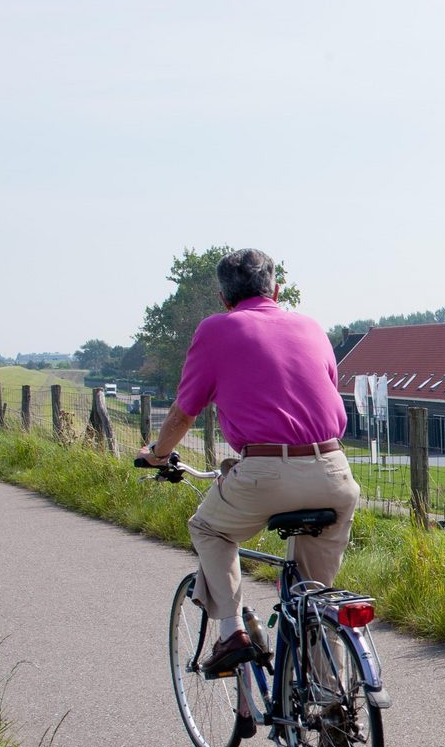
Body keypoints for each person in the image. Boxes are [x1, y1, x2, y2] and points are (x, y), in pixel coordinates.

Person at [140, 249, 359, 702]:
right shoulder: (311, 326)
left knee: (208, 528)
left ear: (224, 298)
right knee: (315, 595)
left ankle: (231, 632)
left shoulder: (217, 330)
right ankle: (332, 707)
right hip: (334, 471)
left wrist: (159, 454)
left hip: (265, 471)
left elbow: (184, 412)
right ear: (275, 290)